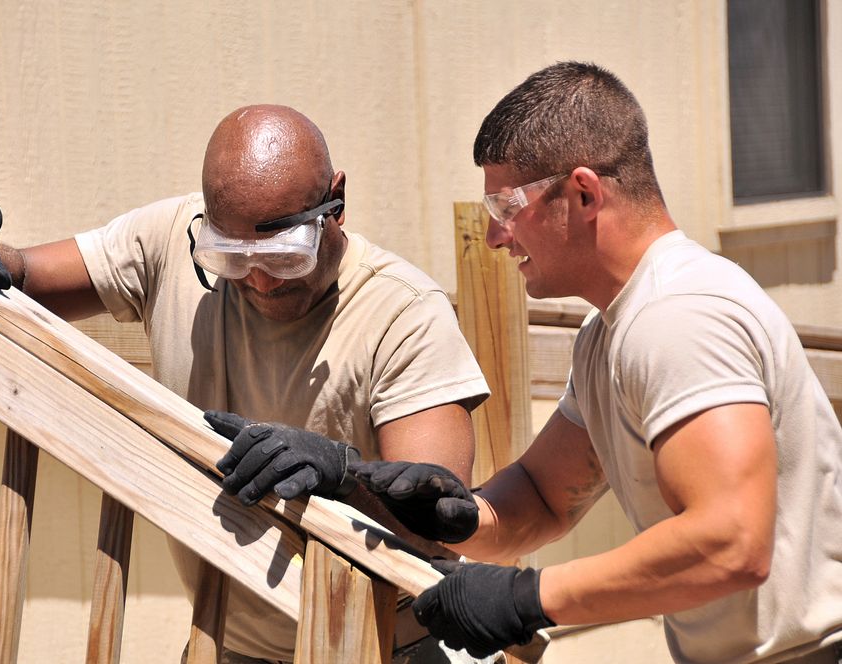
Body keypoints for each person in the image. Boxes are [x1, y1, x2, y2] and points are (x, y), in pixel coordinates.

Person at [210, 63, 842, 664]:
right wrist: (416, 505)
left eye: (507, 208)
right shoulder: (610, 335)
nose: (493, 237)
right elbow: (542, 499)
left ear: (584, 193)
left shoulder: (678, 317)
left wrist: (528, 598)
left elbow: (732, 542)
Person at [0, 105, 492, 663]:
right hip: (230, 641)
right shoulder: (172, 240)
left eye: (283, 256)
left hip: (382, 645)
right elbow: (26, 277)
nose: (262, 283)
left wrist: (343, 474)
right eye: (233, 260)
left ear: (337, 202)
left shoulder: (404, 313)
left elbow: (438, 518)